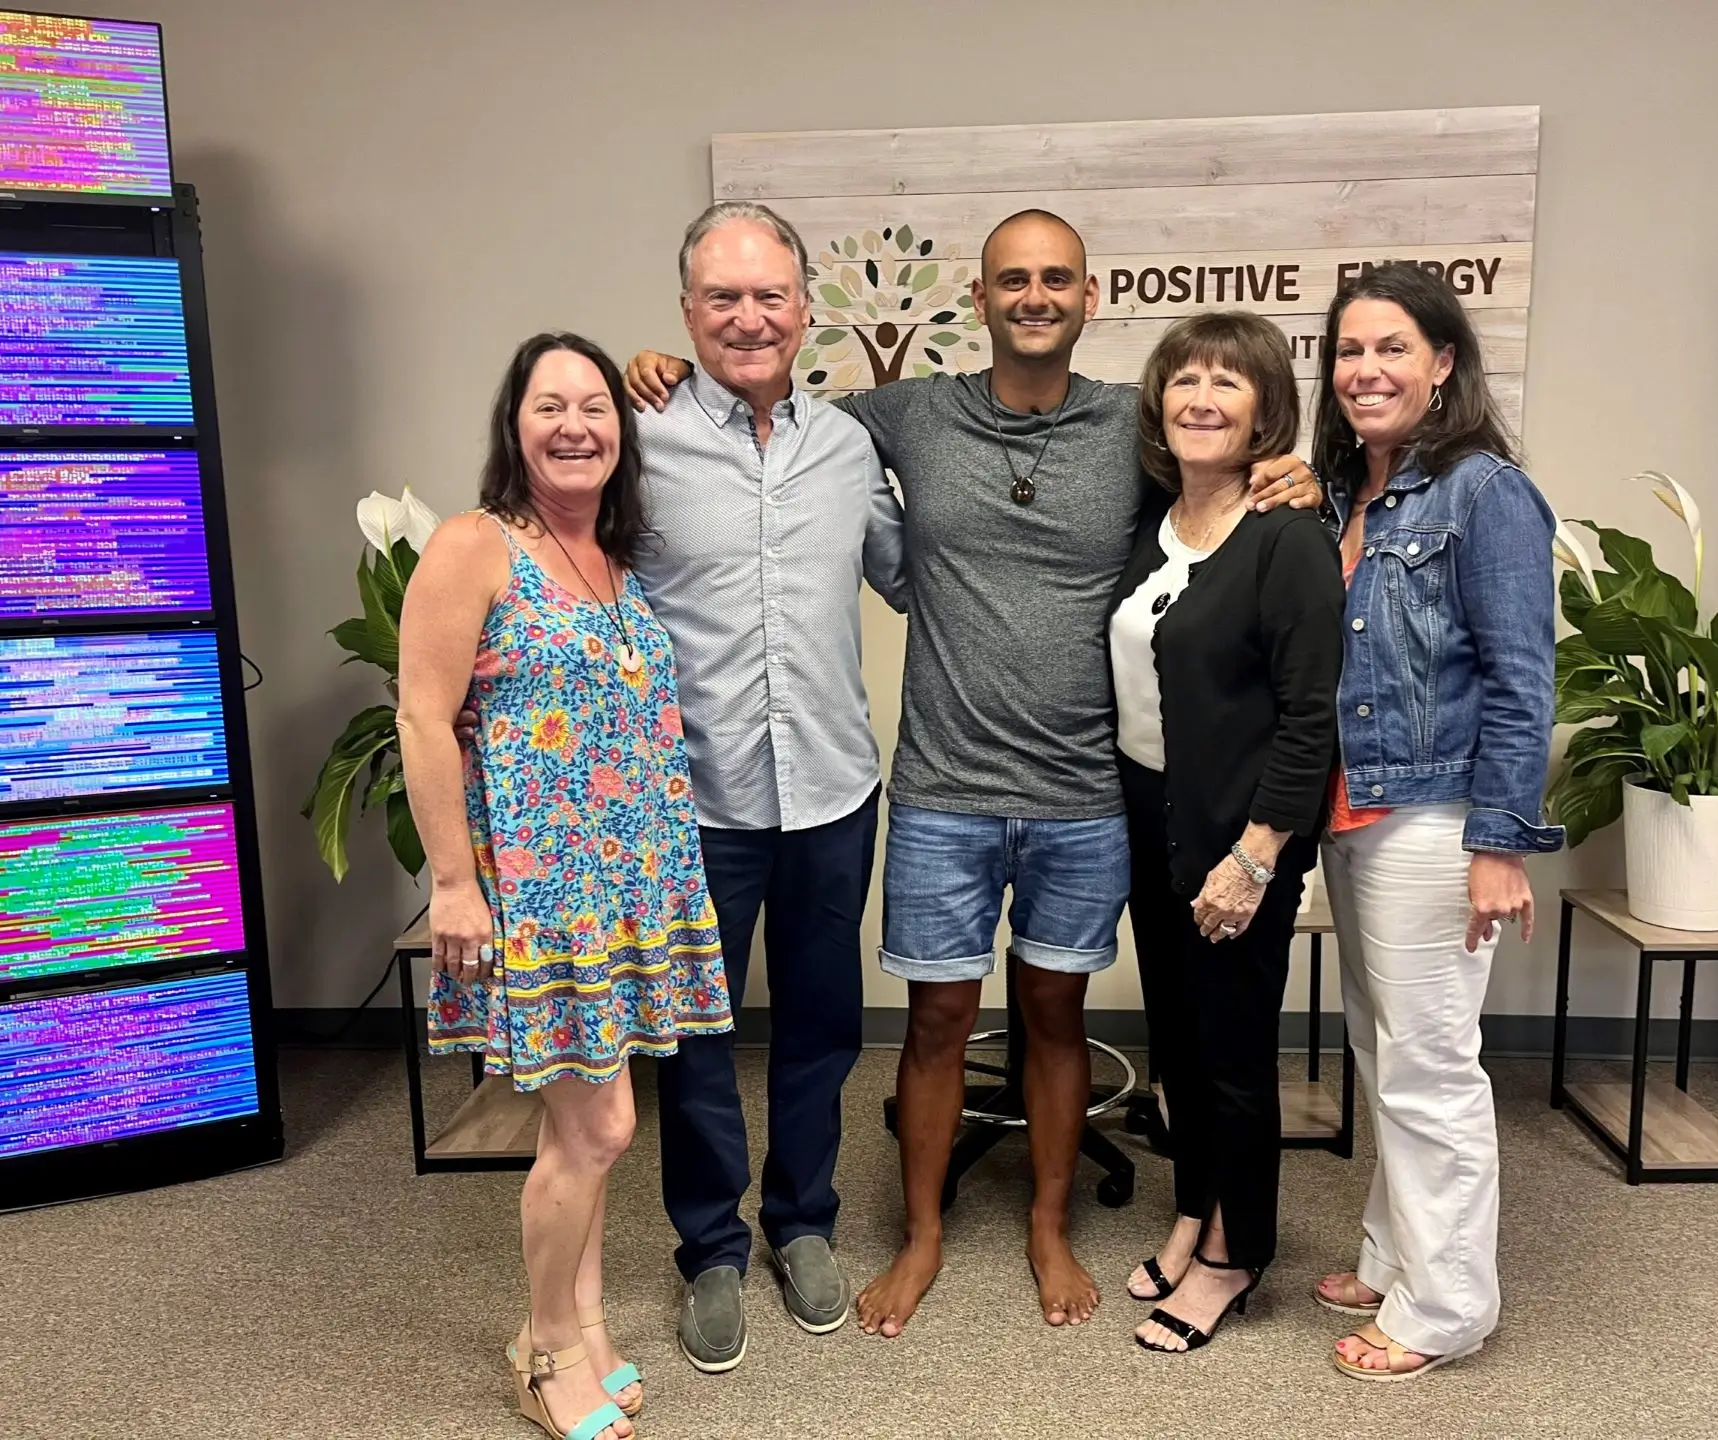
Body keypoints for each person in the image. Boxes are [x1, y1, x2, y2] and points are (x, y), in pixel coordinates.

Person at [626, 209, 1324, 1337]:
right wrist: (646, 372)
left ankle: (1047, 1228)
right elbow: (766, 403)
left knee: (1054, 1015)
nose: (1035, 295)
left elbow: (1216, 485)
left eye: (1056, 279)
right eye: (1013, 279)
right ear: (980, 299)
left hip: (1082, 792)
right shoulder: (898, 416)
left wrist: (1286, 472)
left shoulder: (1131, 431)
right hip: (942, 785)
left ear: (1088, 297)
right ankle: (923, 1239)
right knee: (935, 1023)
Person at [399, 333, 731, 1440]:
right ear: (516, 424)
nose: (577, 424)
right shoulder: (474, 545)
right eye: (551, 406)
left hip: (627, 890)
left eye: (595, 404)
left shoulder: (617, 561)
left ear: (621, 430)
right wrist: (454, 883)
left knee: (589, 1131)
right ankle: (544, 1351)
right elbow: (422, 719)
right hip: (540, 896)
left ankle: (584, 1324)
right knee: (598, 1132)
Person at [634, 203, 909, 1373]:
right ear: (688, 310)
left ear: (806, 308)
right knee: (694, 1039)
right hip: (690, 800)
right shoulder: (633, 439)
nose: (748, 317)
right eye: (721, 297)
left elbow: (918, 576)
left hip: (833, 791)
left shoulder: (851, 448)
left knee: (820, 1029)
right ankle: (708, 1248)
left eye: (770, 296)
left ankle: (803, 1224)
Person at [1303, 261, 1562, 1381]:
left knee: (1429, 1067)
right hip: (1353, 812)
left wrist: (1499, 841)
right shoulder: (1339, 493)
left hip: (1434, 813)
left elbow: (1521, 676)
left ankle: (1448, 1305)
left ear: (1443, 362)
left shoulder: (1481, 492)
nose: (1367, 370)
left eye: (1393, 348)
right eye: (1350, 352)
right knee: (1382, 1048)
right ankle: (1393, 1250)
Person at [1109, 312, 1344, 1353]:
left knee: (1237, 1056)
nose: (1202, 398)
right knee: (1180, 1046)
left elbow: (1311, 716)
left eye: (1229, 384)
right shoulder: (1149, 517)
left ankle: (1237, 1252)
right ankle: (1194, 1208)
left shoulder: (1287, 536)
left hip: (1235, 838)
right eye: (1185, 379)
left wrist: (1255, 857)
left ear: (1264, 411)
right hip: (1147, 819)